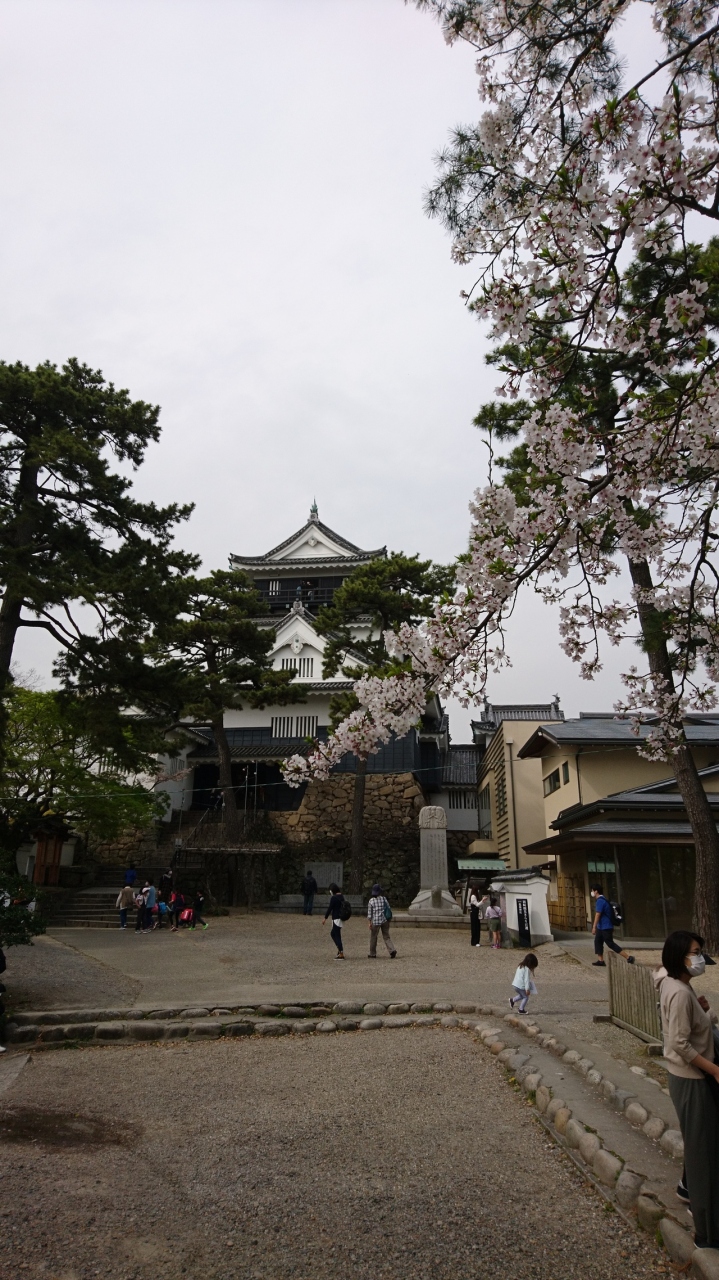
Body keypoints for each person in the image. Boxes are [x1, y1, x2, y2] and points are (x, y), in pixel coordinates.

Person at [655, 930, 719, 1249]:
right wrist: (714, 1070)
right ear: (679, 956)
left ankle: (691, 1194)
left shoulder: (674, 983)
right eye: (695, 952)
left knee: (701, 1146)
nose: (700, 958)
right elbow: (679, 1043)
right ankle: (707, 1232)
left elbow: (689, 1027)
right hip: (692, 1079)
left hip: (687, 1076)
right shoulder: (680, 992)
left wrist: (703, 1010)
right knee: (703, 1155)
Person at [590, 885, 635, 966]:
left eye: (592, 890)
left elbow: (598, 914)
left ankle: (628, 957)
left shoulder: (600, 901)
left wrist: (594, 927)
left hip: (605, 926)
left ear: (596, 891)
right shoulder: (604, 899)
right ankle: (600, 960)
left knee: (610, 943)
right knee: (598, 942)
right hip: (602, 926)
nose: (592, 892)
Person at [367, 883, 397, 959]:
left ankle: (372, 953)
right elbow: (388, 907)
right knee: (386, 936)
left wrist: (370, 923)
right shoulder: (383, 899)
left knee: (373, 937)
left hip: (376, 921)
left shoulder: (371, 901)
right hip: (384, 920)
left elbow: (370, 914)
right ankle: (392, 950)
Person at [322, 882, 345, 959]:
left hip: (336, 918)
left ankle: (341, 952)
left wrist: (325, 918)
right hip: (341, 918)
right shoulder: (341, 896)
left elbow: (330, 908)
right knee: (333, 933)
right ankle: (339, 949)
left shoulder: (334, 898)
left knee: (336, 935)